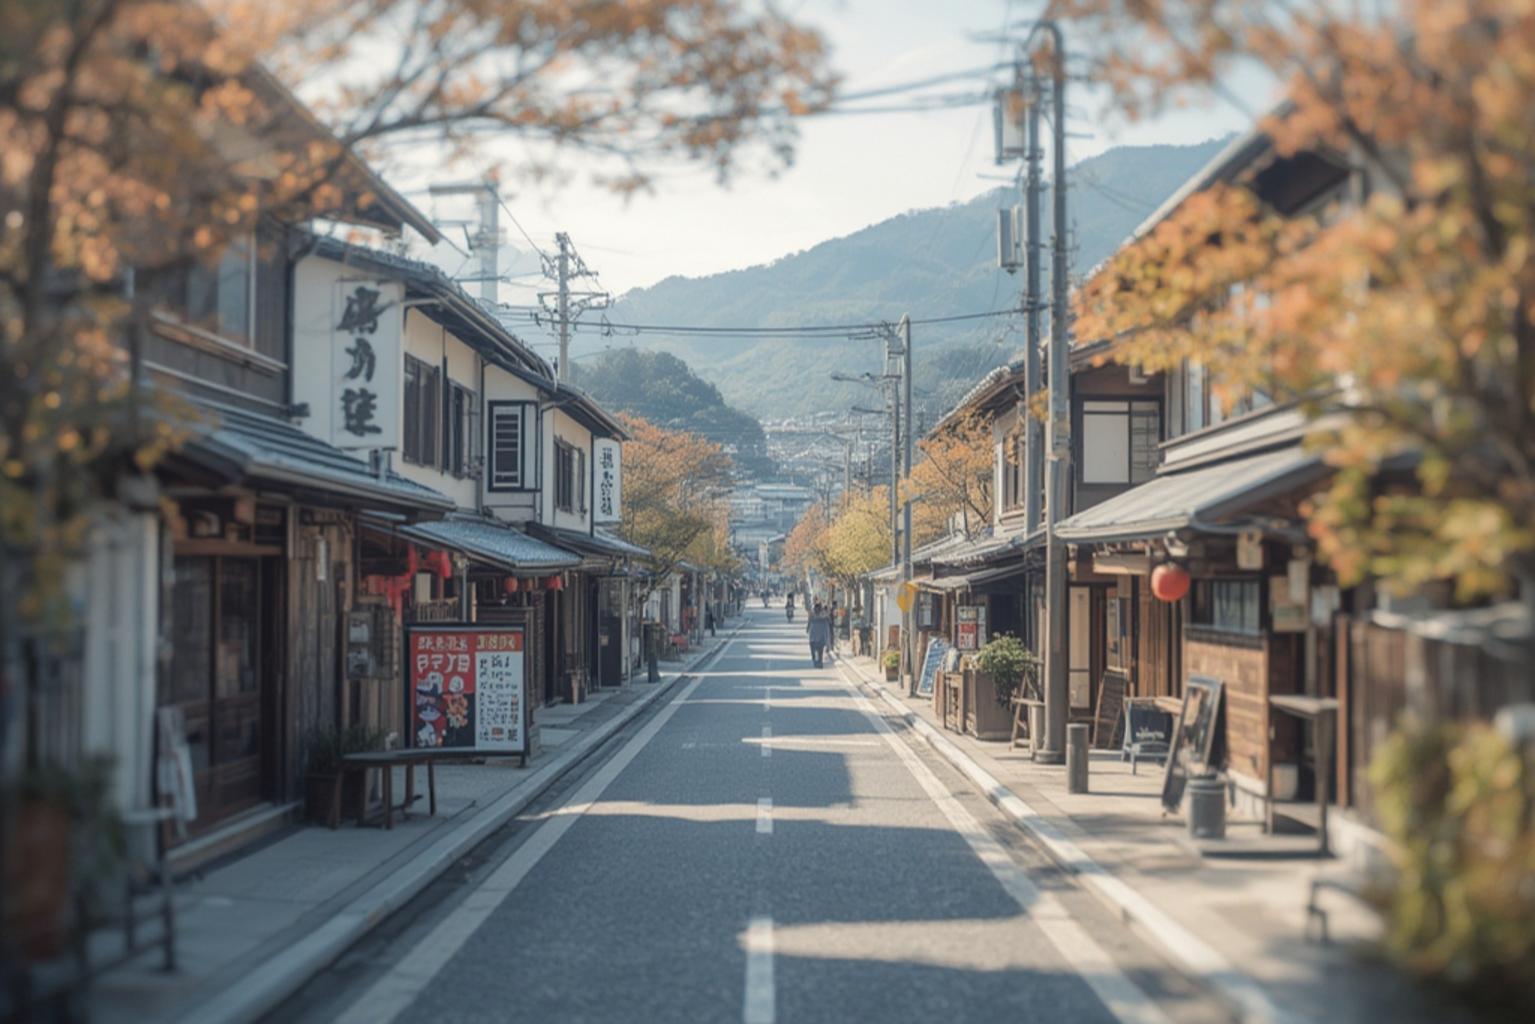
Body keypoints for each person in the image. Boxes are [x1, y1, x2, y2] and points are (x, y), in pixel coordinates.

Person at [806, 602, 832, 668]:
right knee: (818, 650)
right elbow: (829, 621)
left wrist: (807, 629)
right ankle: (818, 661)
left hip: (815, 637)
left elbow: (809, 623)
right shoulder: (823, 614)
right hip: (820, 637)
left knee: (816, 650)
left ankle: (817, 661)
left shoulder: (813, 615)